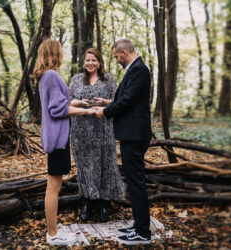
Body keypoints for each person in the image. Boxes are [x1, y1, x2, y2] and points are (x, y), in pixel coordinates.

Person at [34, 39, 96, 246]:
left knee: (54, 185)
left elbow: (58, 104)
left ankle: (53, 231)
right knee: (53, 187)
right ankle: (53, 234)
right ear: (54, 53)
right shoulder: (51, 75)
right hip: (56, 139)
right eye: (59, 51)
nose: (62, 54)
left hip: (56, 136)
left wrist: (74, 102)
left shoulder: (46, 75)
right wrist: (87, 111)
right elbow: (57, 110)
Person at [94, 39, 152, 245]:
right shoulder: (135, 69)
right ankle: (138, 225)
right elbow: (128, 98)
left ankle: (143, 232)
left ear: (125, 52)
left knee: (136, 182)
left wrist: (105, 111)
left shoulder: (140, 70)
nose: (116, 60)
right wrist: (109, 103)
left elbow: (128, 102)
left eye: (117, 56)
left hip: (135, 135)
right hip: (131, 134)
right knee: (133, 180)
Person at [69, 48, 125, 222]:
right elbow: (66, 102)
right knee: (85, 167)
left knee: (105, 166)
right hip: (80, 130)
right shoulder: (76, 80)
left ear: (99, 62)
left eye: (94, 60)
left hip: (104, 130)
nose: (90, 63)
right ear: (83, 62)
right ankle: (85, 202)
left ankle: (103, 203)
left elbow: (120, 102)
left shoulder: (109, 80)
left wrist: (105, 102)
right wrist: (78, 102)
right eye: (87, 60)